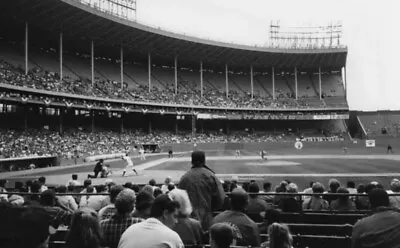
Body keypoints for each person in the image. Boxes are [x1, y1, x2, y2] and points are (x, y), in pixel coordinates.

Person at [178, 151, 225, 230]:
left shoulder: (184, 178)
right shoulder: (211, 176)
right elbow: (221, 198)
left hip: (189, 220)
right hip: (207, 217)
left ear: (192, 161)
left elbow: (179, 200)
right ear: (204, 160)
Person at [118, 194, 184, 248]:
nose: (176, 221)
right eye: (175, 216)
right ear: (165, 214)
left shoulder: (129, 230)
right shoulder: (172, 237)